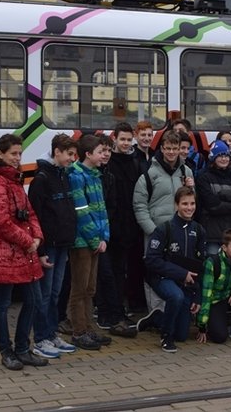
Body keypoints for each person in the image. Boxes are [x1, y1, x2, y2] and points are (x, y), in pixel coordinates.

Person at [0, 134, 49, 370]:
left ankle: (22, 348)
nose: (17, 158)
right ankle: (6, 351)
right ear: (0, 154)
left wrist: (37, 237)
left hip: (23, 249)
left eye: (19, 154)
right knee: (2, 303)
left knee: (33, 300)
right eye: (13, 154)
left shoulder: (14, 180)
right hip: (5, 251)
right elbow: (0, 221)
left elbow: (29, 212)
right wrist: (28, 240)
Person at [133, 130, 194, 331]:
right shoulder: (149, 173)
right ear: (161, 149)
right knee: (154, 271)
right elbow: (140, 205)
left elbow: (192, 202)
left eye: (174, 148)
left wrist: (192, 188)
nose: (171, 152)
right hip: (155, 231)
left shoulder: (186, 173)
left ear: (179, 150)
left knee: (174, 272)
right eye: (167, 148)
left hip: (178, 232)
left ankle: (171, 314)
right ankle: (155, 313)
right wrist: (151, 230)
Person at [27, 134, 79, 359]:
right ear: (56, 152)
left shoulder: (63, 175)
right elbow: (35, 218)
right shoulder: (41, 179)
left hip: (63, 244)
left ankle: (51, 333)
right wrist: (39, 251)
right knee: (45, 294)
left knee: (56, 293)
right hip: (48, 246)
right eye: (69, 154)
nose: (72, 159)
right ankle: (40, 338)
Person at [143, 186, 206, 353]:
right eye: (185, 204)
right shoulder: (164, 229)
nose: (189, 208)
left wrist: (197, 296)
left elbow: (201, 266)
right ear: (176, 205)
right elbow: (151, 260)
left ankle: (157, 318)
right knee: (175, 296)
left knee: (182, 335)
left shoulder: (199, 230)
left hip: (186, 283)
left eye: (192, 203)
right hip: (162, 278)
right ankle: (165, 336)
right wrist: (181, 273)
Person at [66, 134, 112, 351]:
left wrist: (104, 236)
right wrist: (95, 239)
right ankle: (78, 331)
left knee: (90, 288)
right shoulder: (76, 175)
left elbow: (101, 210)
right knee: (80, 288)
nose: (104, 155)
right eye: (101, 151)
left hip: (95, 240)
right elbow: (81, 211)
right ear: (88, 154)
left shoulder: (95, 174)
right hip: (82, 242)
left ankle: (88, 327)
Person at [95, 135, 138, 338]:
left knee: (117, 273)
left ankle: (115, 313)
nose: (105, 155)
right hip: (99, 232)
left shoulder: (109, 173)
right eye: (102, 151)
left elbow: (114, 204)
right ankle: (105, 314)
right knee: (104, 274)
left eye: (108, 151)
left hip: (118, 229)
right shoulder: (93, 174)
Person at [102, 122, 144, 325]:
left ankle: (119, 311)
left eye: (129, 139)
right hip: (111, 225)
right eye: (123, 139)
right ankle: (109, 312)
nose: (126, 143)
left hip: (130, 225)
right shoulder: (108, 162)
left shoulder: (135, 162)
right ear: (114, 138)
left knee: (122, 271)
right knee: (109, 273)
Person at [196, 139, 231, 255]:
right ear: (213, 158)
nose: (224, 159)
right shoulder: (203, 177)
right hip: (213, 235)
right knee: (214, 267)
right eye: (220, 155)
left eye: (226, 155)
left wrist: (222, 194)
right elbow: (212, 205)